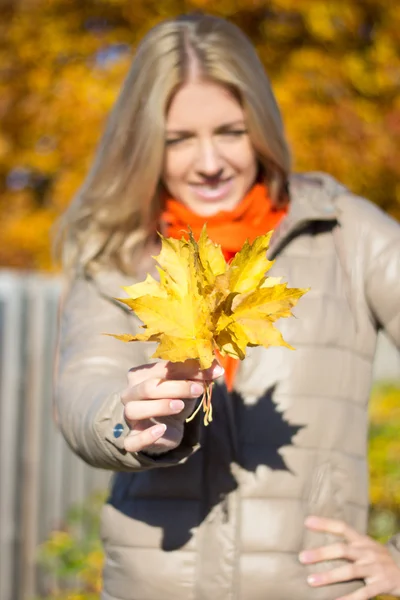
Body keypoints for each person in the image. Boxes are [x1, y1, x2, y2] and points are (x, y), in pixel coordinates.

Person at [54, 12, 400, 600]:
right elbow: (82, 387)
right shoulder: (118, 247)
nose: (209, 162)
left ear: (261, 126)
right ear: (145, 142)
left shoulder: (345, 233)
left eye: (231, 131)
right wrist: (128, 418)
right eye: (179, 139)